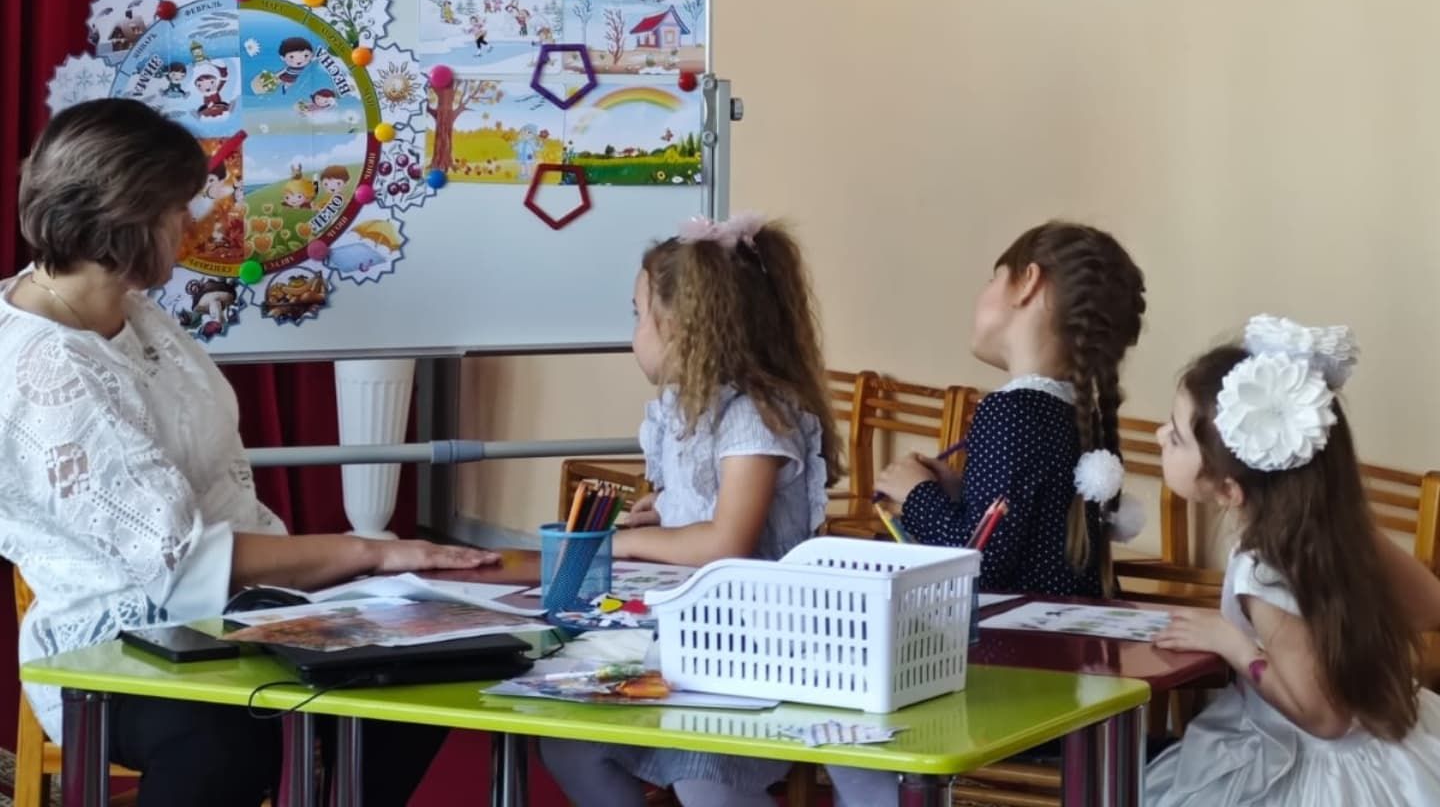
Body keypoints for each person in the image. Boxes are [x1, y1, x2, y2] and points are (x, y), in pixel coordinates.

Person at [0, 98, 499, 807]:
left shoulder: (131, 311)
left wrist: (370, 572)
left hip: (239, 611)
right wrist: (370, 552)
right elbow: (183, 564)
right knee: (222, 742)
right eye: (180, 209)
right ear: (127, 218)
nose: (196, 224)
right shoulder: (45, 368)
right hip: (116, 642)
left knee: (423, 668)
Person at [830, 221, 1147, 807]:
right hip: (1059, 682)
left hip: (1000, 684)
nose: (981, 294)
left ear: (1028, 283)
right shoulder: (1069, 414)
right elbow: (1026, 527)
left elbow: (978, 561)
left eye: (991, 277)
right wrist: (960, 490)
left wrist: (915, 493)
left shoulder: (1011, 410)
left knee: (840, 723)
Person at [540, 213, 840, 807]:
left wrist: (624, 542)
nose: (634, 331)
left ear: (680, 326)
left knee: (704, 775)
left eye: (637, 314)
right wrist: (667, 513)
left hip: (753, 644)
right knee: (571, 742)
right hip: (690, 633)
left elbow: (725, 542)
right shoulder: (687, 410)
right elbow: (703, 510)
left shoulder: (753, 416)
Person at [1147, 319, 1440, 805]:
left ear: (1229, 490)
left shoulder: (1261, 568)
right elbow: (1432, 605)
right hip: (1389, 747)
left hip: (1315, 768)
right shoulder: (1336, 535)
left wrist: (1231, 643)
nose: (1160, 435)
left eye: (1176, 436)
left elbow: (1324, 719)